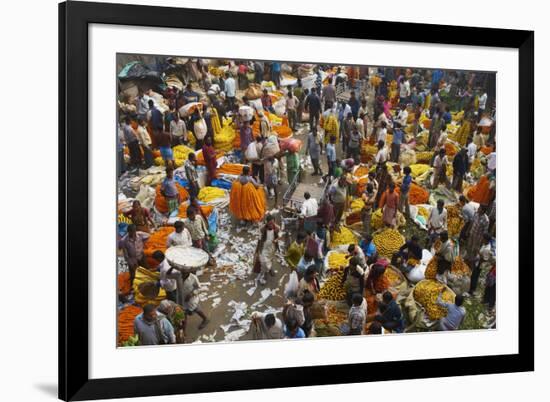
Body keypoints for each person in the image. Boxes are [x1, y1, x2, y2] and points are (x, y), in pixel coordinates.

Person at [256, 214, 280, 285]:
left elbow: (279, 236)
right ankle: (267, 271)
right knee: (264, 262)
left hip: (272, 247)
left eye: (273, 223)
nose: (271, 225)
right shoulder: (262, 229)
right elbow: (259, 240)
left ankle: (268, 270)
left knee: (270, 259)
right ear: (267, 222)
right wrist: (258, 250)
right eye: (270, 223)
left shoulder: (277, 228)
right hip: (264, 248)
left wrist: (276, 240)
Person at [465, 205, 490, 269]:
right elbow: (472, 223)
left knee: (474, 250)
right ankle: (467, 259)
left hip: (478, 239)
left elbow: (485, 232)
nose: (478, 209)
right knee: (469, 247)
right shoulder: (476, 214)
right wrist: (468, 230)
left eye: (479, 208)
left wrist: (482, 242)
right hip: (471, 234)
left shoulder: (486, 220)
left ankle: (471, 264)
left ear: (483, 211)